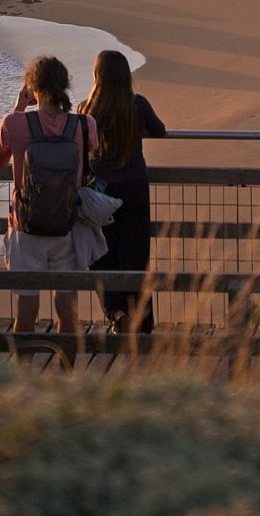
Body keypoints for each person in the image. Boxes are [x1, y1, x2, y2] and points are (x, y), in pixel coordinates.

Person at [0, 55, 98, 334]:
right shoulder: (84, 125)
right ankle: (66, 372)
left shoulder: (14, 123)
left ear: (32, 86)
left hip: (25, 227)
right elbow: (91, 154)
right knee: (67, 308)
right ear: (65, 85)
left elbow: (0, 159)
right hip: (67, 226)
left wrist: (18, 108)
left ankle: (25, 374)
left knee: (26, 310)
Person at [79, 48, 167, 334]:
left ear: (97, 76)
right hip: (134, 188)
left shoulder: (85, 110)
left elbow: (81, 152)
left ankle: (116, 313)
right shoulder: (137, 104)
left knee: (102, 255)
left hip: (101, 193)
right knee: (136, 256)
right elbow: (160, 131)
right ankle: (143, 321)